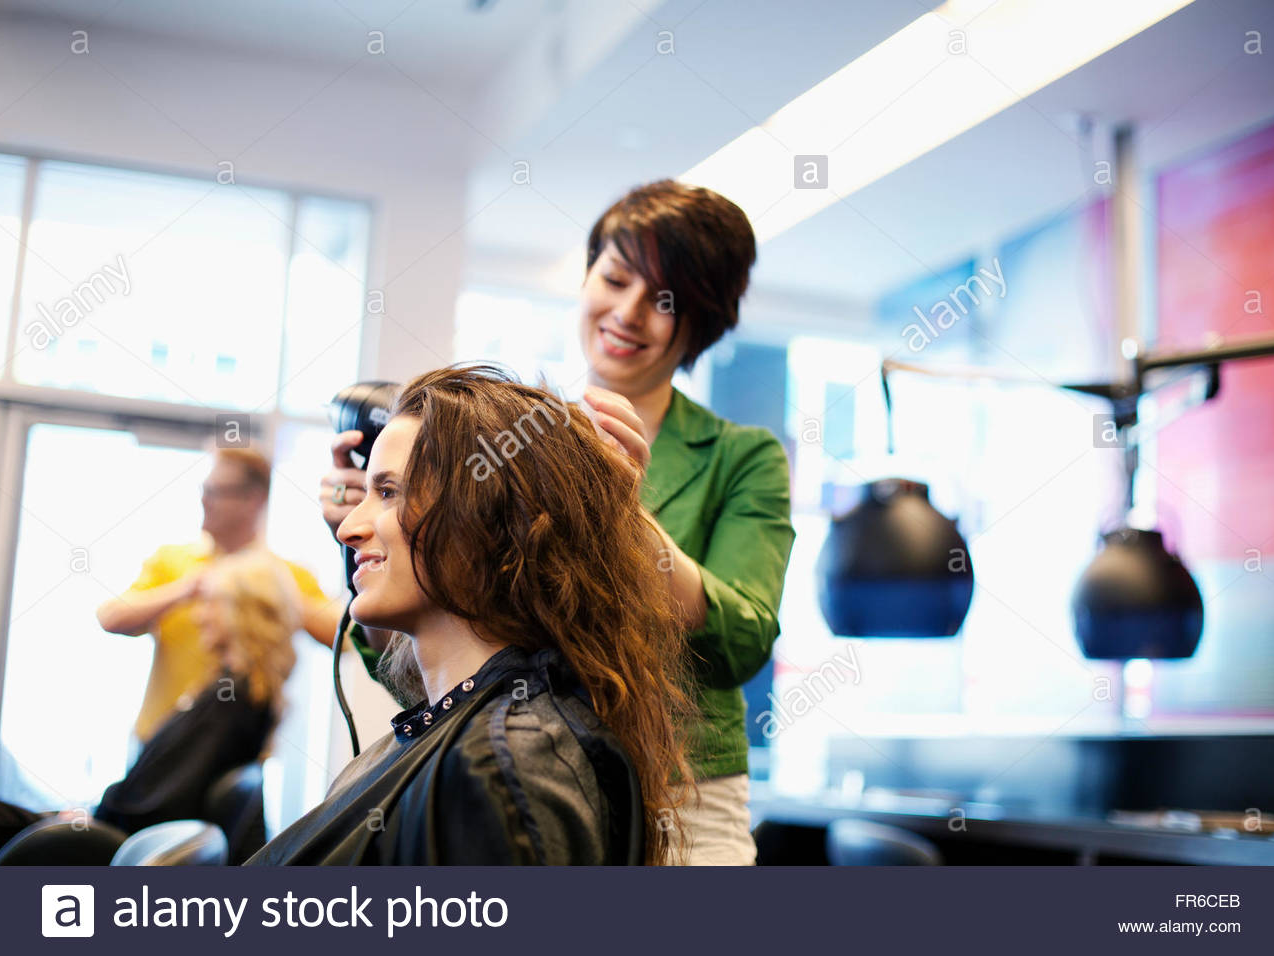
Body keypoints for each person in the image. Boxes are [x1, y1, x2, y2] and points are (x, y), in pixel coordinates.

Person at [322, 182, 794, 865]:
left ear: (702, 324)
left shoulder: (740, 458)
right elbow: (419, 664)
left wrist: (622, 518)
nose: (630, 313)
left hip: (686, 789)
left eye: (666, 300)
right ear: (587, 274)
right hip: (530, 760)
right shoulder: (515, 440)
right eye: (616, 277)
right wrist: (371, 522)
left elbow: (744, 638)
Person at [252, 366, 693, 865]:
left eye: (389, 492)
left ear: (486, 517)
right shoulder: (476, 737)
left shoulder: (509, 762)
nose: (347, 527)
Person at [0, 551, 299, 861]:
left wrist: (93, 818)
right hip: (110, 827)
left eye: (209, 603)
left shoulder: (232, 698)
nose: (198, 616)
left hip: (110, 840)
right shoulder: (241, 693)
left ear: (241, 611)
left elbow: (164, 805)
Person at [97, 447, 341, 745]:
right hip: (160, 743)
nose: (203, 500)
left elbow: (346, 638)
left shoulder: (284, 574)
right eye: (204, 489)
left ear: (253, 499)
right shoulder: (173, 562)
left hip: (234, 751)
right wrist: (185, 589)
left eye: (216, 491)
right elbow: (111, 617)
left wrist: (275, 593)